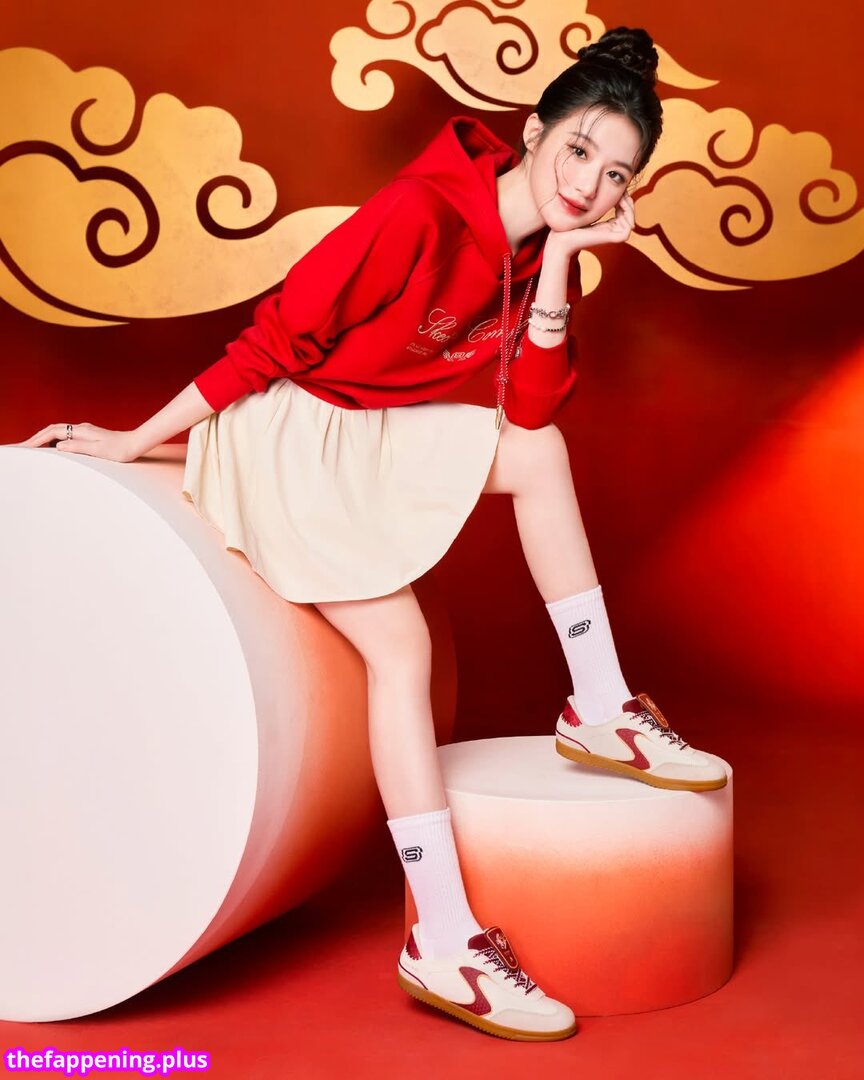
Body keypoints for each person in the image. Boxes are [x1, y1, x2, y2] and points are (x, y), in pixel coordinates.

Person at [19, 27, 727, 1042]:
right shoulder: (419, 212)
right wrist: (137, 438)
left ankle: (601, 703)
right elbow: (276, 341)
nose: (588, 184)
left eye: (615, 174)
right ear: (534, 132)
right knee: (402, 650)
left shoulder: (543, 252)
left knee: (541, 457)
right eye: (578, 150)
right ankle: (444, 936)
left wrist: (565, 259)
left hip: (368, 436)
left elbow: (530, 414)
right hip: (301, 439)